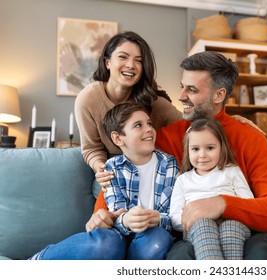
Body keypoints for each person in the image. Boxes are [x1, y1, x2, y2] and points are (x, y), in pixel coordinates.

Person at [94, 51, 267, 260]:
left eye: (191, 89)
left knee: (263, 253)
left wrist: (221, 204)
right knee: (179, 258)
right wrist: (101, 212)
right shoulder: (166, 137)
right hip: (192, 235)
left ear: (218, 95)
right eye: (182, 86)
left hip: (247, 235)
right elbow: (127, 169)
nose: (181, 96)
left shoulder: (250, 138)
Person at [29, 103, 180, 260]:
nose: (148, 129)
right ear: (118, 138)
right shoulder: (112, 167)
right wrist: (127, 220)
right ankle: (40, 259)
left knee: (158, 241)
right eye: (138, 125)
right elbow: (116, 211)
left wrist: (157, 219)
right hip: (119, 234)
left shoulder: (169, 163)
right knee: (106, 244)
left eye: (149, 123)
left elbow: (173, 215)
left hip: (153, 233)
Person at [74, 30, 182, 198]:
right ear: (107, 62)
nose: (131, 65)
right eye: (123, 57)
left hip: (150, 168)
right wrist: (102, 169)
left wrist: (232, 120)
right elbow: (91, 148)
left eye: (138, 61)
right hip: (112, 168)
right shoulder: (87, 100)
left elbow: (190, 124)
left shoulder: (152, 101)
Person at [169, 118, 253, 260]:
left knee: (230, 228)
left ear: (222, 147)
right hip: (197, 228)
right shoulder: (183, 180)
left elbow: (249, 204)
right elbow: (175, 217)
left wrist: (223, 211)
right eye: (195, 149)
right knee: (204, 225)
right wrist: (199, 217)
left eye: (210, 148)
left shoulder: (231, 171)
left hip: (233, 224)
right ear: (187, 151)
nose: (202, 155)